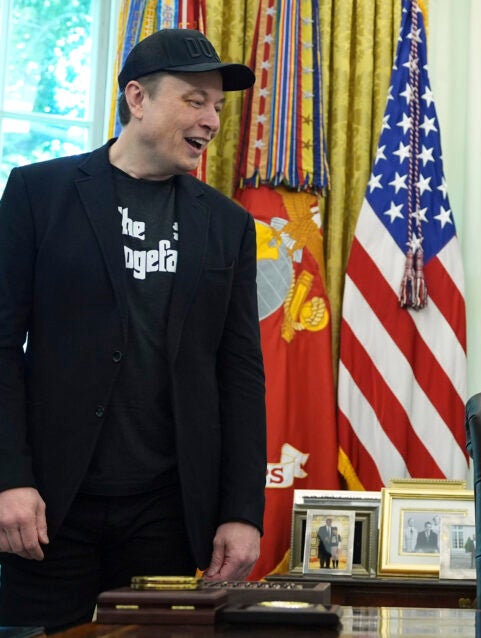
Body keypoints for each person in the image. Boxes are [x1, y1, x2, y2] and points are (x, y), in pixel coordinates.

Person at [0, 28, 267, 630]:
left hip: (167, 512)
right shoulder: (38, 193)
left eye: (217, 106)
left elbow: (240, 373)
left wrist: (242, 511)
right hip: (46, 509)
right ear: (138, 98)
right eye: (195, 101)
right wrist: (8, 478)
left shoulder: (228, 225)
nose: (211, 120)